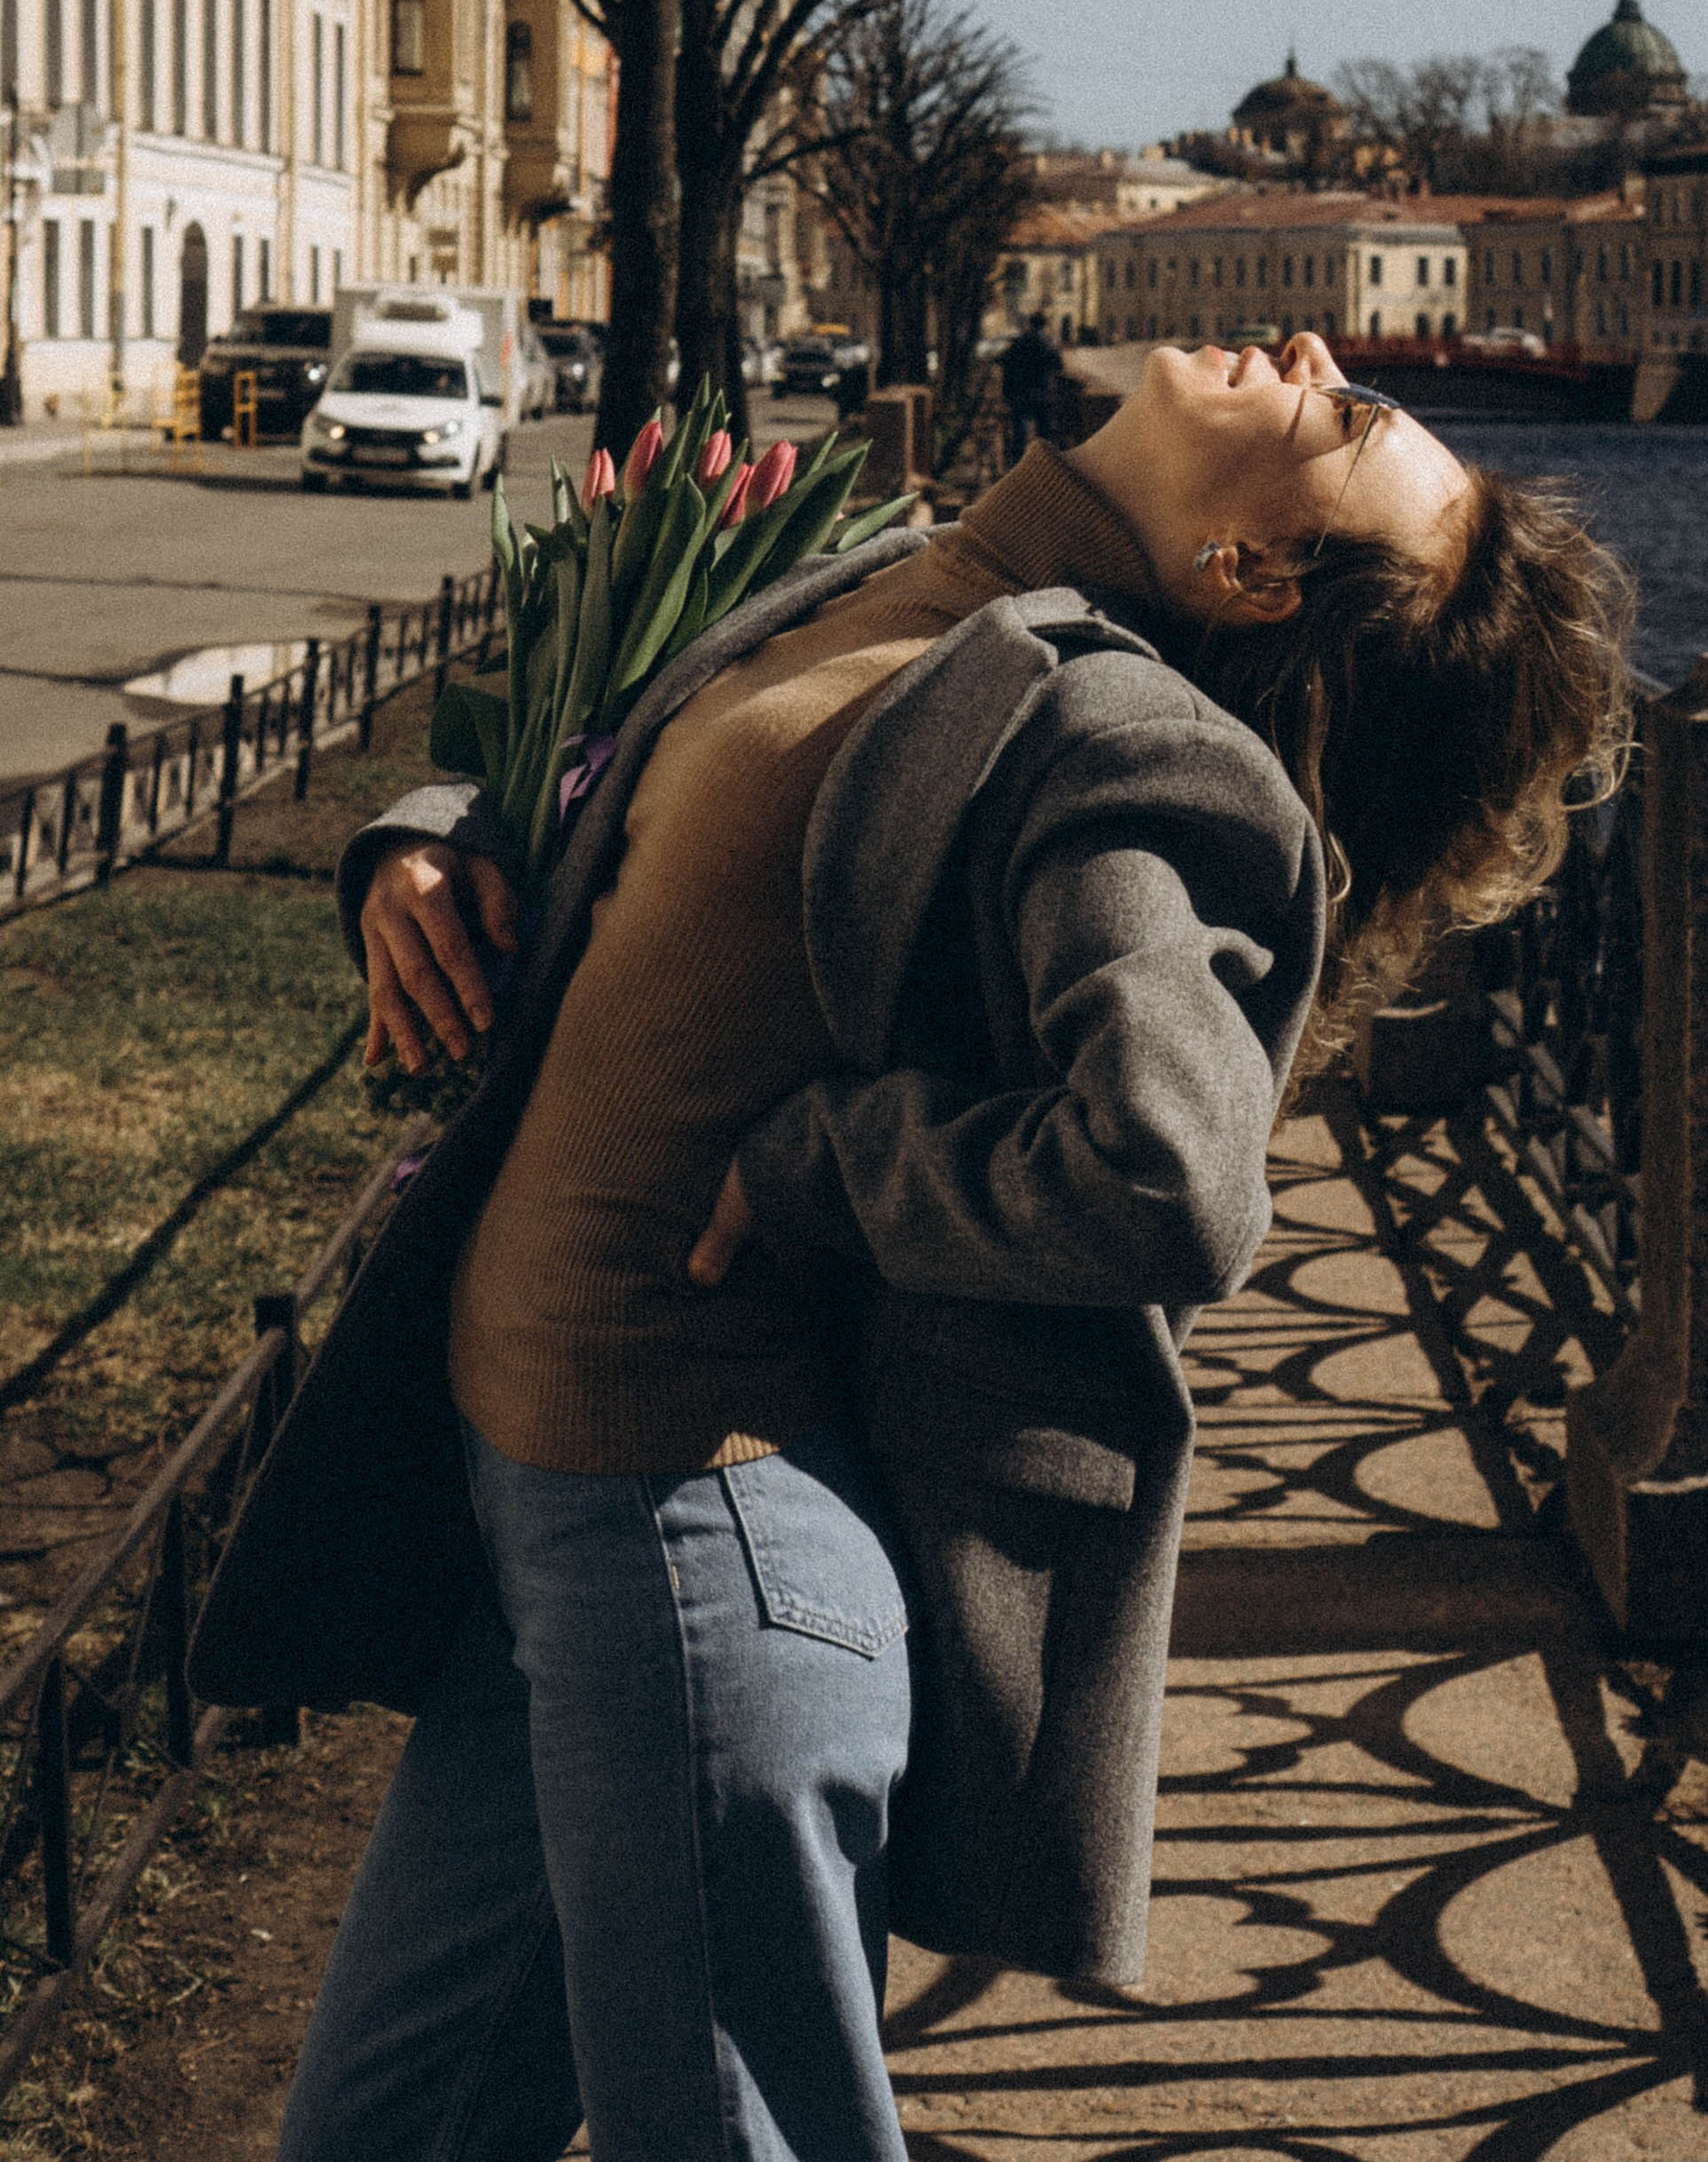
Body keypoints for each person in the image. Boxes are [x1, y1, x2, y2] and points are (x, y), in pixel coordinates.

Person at [192, 333, 1631, 2162]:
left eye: (1337, 420)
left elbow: (1174, 1176)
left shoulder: (1107, 728)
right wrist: (421, 846)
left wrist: (822, 1165)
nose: (1313, 352)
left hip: (693, 1548)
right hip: (563, 1526)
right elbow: (626, 790)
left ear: (1250, 576)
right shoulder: (922, 578)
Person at [998, 306, 1060, 461]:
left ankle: (1017, 465)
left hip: (1020, 393)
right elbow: (1058, 365)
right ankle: (1042, 463)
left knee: (1019, 432)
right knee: (1043, 434)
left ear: (1029, 323)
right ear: (1044, 325)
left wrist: (1007, 389)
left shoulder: (1019, 341)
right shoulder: (1046, 343)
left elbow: (1004, 361)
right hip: (1041, 394)